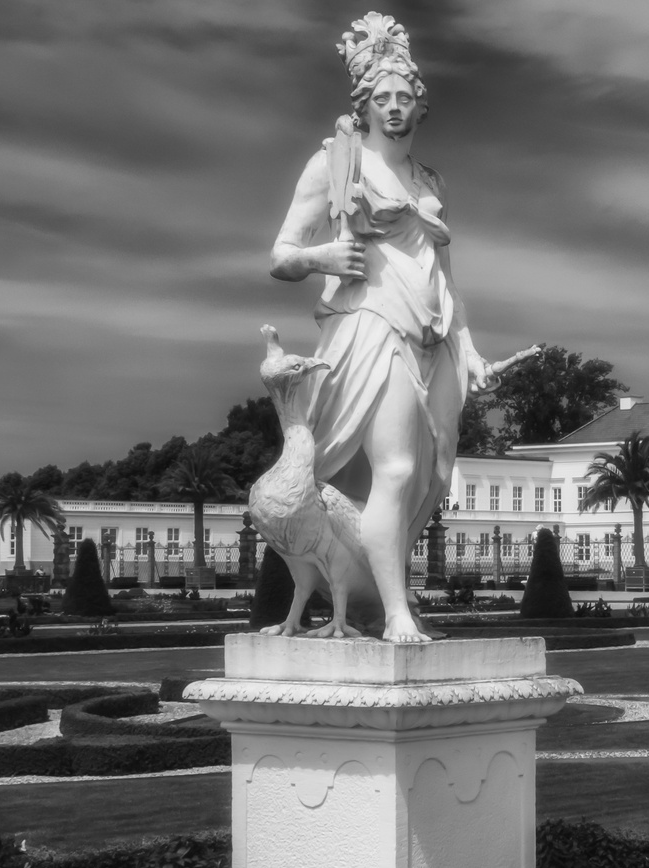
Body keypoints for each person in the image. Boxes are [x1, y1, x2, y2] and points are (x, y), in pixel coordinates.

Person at [268, 13, 535, 640]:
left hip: (433, 339)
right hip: (371, 328)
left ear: (420, 106)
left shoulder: (429, 181)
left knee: (427, 480)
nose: (394, 107)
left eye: (405, 97)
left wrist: (468, 350)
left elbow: (445, 276)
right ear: (363, 104)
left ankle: (373, 599)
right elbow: (281, 254)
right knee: (392, 471)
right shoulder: (336, 164)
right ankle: (394, 614)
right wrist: (321, 259)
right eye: (382, 97)